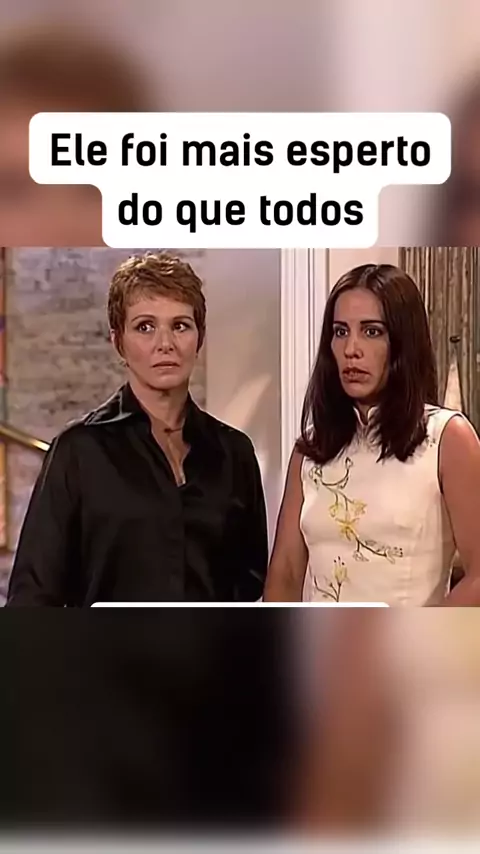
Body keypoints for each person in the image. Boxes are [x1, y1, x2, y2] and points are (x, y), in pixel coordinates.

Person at [6, 252, 268, 606]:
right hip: (106, 644)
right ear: (119, 341)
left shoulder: (234, 452)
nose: (165, 343)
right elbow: (33, 598)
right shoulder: (78, 451)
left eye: (180, 326)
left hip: (210, 644)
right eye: (145, 327)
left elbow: (249, 586)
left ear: (200, 337)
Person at [264, 263, 480, 606]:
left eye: (371, 331)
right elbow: (286, 574)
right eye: (340, 331)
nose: (351, 348)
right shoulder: (312, 449)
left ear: (402, 342)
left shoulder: (447, 438)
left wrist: (426, 635)